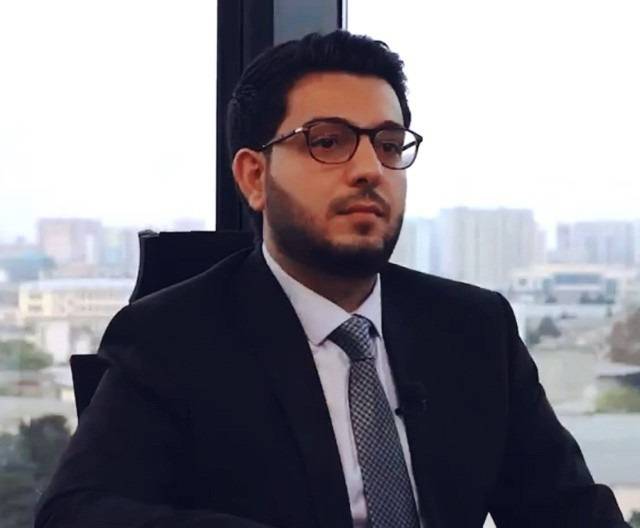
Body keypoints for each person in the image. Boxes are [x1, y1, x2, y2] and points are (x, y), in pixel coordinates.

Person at [35, 31, 630, 528]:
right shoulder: (171, 338)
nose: (370, 169)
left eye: (389, 145)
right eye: (328, 142)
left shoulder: (473, 328)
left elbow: (568, 510)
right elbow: (76, 513)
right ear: (254, 177)